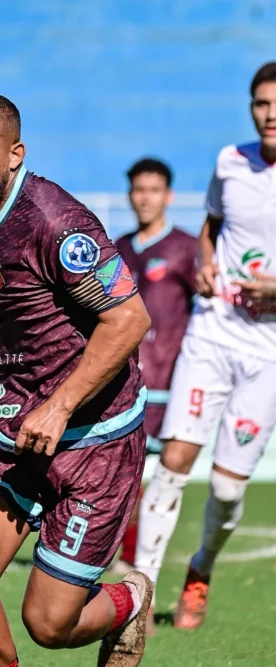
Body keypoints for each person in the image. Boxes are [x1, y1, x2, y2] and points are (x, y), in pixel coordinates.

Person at [0, 93, 153, 667]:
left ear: (15, 154)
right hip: (12, 435)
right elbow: (32, 298)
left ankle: (129, 600)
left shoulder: (56, 222)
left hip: (95, 444)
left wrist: (60, 405)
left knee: (49, 623)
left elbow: (129, 319)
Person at [134, 61, 276, 631]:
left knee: (226, 486)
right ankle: (141, 594)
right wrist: (207, 263)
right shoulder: (230, 161)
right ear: (251, 108)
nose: (271, 114)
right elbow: (212, 225)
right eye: (262, 103)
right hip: (214, 329)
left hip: (268, 349)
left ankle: (202, 567)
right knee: (173, 462)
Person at [112, 159, 197, 579]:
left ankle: (142, 565)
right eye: (139, 190)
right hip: (125, 382)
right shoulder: (118, 249)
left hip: (172, 382)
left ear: (168, 195)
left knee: (163, 479)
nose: (146, 198)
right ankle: (127, 561)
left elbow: (207, 310)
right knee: (124, 478)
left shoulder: (186, 248)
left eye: (154, 190)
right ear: (130, 195)